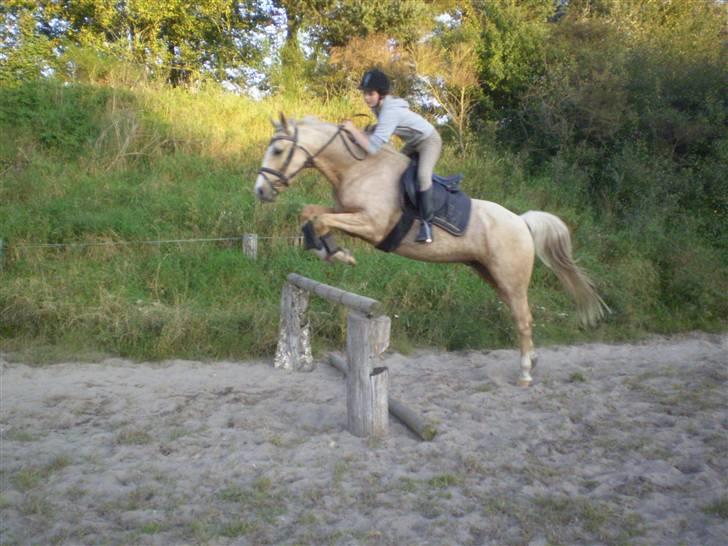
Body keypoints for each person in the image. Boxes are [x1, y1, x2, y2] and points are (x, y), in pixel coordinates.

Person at [342, 68, 442, 244]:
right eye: (365, 93)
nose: (366, 97)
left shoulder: (389, 110)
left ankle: (427, 225)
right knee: (393, 169)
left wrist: (353, 131)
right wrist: (359, 134)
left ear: (381, 94)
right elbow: (380, 131)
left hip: (428, 141)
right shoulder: (378, 107)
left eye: (370, 93)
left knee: (423, 176)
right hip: (412, 143)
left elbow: (372, 147)